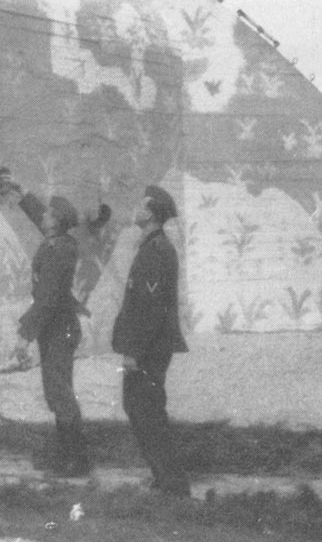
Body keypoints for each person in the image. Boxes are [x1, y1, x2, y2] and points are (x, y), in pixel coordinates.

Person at [111, 184, 190, 496]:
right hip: (150, 347)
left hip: (149, 349)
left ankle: (173, 483)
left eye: (142, 205)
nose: (137, 209)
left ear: (152, 213)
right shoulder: (152, 247)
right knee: (141, 409)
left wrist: (133, 351)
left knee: (147, 412)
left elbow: (151, 310)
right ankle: (164, 478)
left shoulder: (156, 251)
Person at [16, 192, 90, 477]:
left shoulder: (58, 251)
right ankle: (68, 456)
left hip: (59, 329)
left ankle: (75, 461)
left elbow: (46, 299)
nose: (42, 217)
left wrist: (24, 334)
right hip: (59, 328)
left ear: (56, 223)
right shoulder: (60, 242)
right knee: (57, 392)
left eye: (47, 214)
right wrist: (21, 195)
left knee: (59, 393)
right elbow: (40, 217)